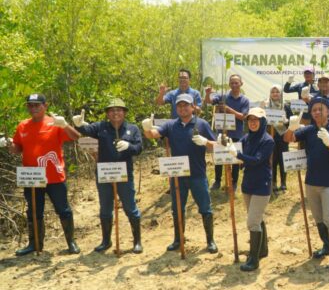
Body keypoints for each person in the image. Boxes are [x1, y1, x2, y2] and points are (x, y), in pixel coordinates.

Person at [142, 94, 219, 254]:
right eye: (179, 106)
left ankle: (210, 240)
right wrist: (147, 128)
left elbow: (217, 146)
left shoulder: (202, 124)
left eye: (186, 105)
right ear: (176, 108)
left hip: (198, 174)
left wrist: (206, 142)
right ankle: (178, 239)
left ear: (192, 107)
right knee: (177, 209)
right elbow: (154, 135)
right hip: (177, 175)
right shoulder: (170, 125)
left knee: (205, 208)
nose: (183, 108)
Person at [6, 94, 81, 255]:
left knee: (63, 210)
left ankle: (71, 242)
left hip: (54, 177)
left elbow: (76, 137)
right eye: (30, 105)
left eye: (37, 105)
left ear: (45, 106)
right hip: (32, 177)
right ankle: (35, 244)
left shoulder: (54, 123)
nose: (33, 108)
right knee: (33, 211)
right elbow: (18, 148)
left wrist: (65, 124)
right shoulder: (22, 126)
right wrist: (10, 146)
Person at [73, 98, 144, 253]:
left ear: (124, 112)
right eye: (112, 110)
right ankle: (106, 241)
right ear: (107, 114)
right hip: (104, 173)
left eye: (119, 110)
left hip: (125, 174)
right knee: (105, 207)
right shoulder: (101, 127)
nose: (115, 113)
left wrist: (129, 146)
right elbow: (86, 130)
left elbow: (139, 148)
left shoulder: (132, 129)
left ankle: (137, 241)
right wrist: (78, 124)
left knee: (130, 207)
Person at [284, 97, 329, 270]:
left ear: (328, 111)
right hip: (311, 181)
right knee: (318, 217)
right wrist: (291, 127)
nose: (317, 112)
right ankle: (326, 246)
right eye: (314, 110)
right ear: (311, 113)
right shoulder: (309, 130)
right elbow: (288, 139)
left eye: (321, 109)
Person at [227, 108, 275, 271]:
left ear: (262, 122)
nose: (253, 122)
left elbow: (256, 160)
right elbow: (233, 146)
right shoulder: (246, 138)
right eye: (250, 119)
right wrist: (223, 141)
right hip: (248, 184)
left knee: (252, 222)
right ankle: (262, 250)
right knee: (257, 217)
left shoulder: (268, 140)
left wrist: (239, 155)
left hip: (262, 185)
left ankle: (253, 259)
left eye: (256, 119)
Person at [206, 74, 250, 191]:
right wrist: (207, 94)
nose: (234, 85)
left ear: (241, 83)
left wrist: (228, 109)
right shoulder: (223, 97)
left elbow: (243, 117)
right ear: (229, 84)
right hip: (222, 132)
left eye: (236, 82)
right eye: (232, 83)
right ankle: (217, 181)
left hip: (237, 134)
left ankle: (234, 182)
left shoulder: (245, 100)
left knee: (235, 158)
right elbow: (209, 102)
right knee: (220, 157)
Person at [261, 85, 292, 192]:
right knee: (272, 160)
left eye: (277, 92)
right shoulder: (266, 106)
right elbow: (261, 121)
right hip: (270, 137)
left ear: (281, 94)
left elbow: (292, 122)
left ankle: (283, 182)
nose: (275, 94)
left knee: (283, 160)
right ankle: (273, 182)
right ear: (270, 94)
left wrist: (287, 122)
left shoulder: (286, 106)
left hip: (283, 137)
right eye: (273, 92)